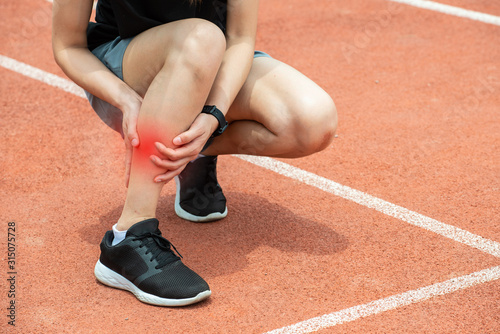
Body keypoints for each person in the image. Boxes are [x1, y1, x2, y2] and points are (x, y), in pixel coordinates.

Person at [52, 0, 337, 307]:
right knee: (202, 36)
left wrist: (215, 114)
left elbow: (240, 39)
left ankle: (190, 149)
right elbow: (68, 46)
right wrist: (126, 101)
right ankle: (129, 235)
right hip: (125, 74)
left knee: (311, 121)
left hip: (209, 60)